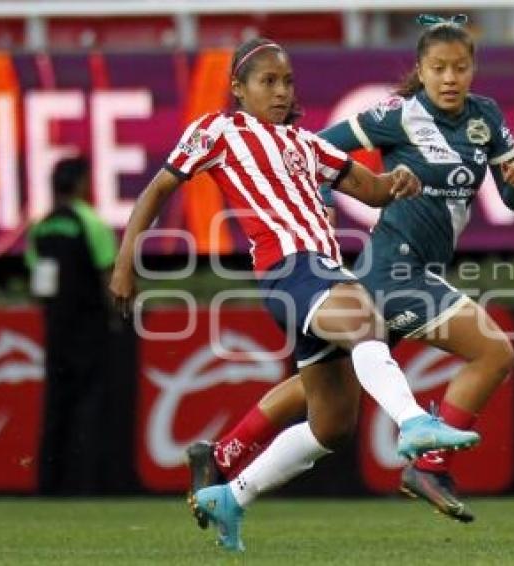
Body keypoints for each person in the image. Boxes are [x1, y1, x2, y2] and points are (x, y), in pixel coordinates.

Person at [109, 37, 480, 552]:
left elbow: (370, 190)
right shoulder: (219, 130)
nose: (280, 91)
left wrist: (399, 179)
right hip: (292, 269)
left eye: (286, 81)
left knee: (333, 426)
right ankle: (414, 423)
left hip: (322, 270)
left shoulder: (308, 145)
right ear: (238, 89)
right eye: (267, 81)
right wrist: (126, 262)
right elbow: (158, 189)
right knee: (366, 322)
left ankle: (232, 496)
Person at [187, 14, 514, 524]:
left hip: (407, 272)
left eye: (460, 67)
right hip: (394, 272)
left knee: (321, 390)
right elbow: (313, 148)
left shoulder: (486, 117)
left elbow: (512, 197)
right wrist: (319, 196)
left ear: (472, 69)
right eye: (438, 68)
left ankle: (221, 458)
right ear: (421, 69)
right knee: (494, 351)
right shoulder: (398, 114)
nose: (450, 78)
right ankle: (429, 465)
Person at [25, 157, 119, 495]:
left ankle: (49, 484)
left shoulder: (41, 227)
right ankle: (89, 484)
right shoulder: (90, 222)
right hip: (89, 328)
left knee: (56, 406)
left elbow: (40, 284)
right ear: (81, 183)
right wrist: (119, 316)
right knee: (92, 405)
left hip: (56, 329)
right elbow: (110, 275)